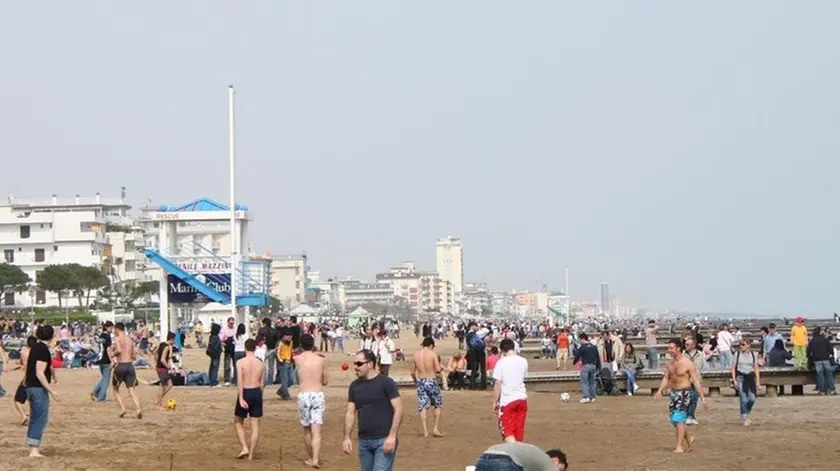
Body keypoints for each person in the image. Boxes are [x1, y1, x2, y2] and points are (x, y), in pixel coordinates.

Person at [342, 350, 402, 471]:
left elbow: (399, 409)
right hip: (364, 441)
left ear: (370, 364)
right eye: (354, 363)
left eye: (359, 364)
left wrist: (392, 436)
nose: (355, 367)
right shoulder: (354, 386)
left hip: (383, 440)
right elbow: (350, 412)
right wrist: (347, 437)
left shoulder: (386, 383)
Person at [654, 339, 707, 453]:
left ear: (678, 348)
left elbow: (696, 381)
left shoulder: (687, 363)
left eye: (671, 348)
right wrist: (660, 390)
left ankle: (679, 446)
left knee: (678, 418)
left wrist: (702, 397)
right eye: (668, 348)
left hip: (684, 392)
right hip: (674, 393)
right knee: (675, 420)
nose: (669, 350)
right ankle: (688, 438)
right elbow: (666, 378)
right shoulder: (670, 363)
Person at [24, 324, 59, 458]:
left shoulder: (36, 347)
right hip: (38, 388)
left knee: (35, 417)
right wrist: (51, 391)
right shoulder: (43, 349)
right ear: (51, 336)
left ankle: (33, 445)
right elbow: (40, 373)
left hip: (31, 386)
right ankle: (34, 450)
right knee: (40, 418)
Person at [295, 334, 327, 468]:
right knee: (316, 431)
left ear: (301, 345)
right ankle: (315, 459)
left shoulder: (297, 359)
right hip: (317, 394)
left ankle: (310, 457)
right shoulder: (320, 360)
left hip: (304, 394)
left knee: (307, 430)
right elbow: (325, 380)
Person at [234, 338, 266, 460]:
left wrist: (241, 398)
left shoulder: (240, 362)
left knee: (238, 421)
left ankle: (244, 447)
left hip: (246, 390)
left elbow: (240, 381)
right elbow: (262, 383)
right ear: (255, 348)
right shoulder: (261, 363)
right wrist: (259, 396)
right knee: (255, 425)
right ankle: (251, 454)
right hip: (257, 391)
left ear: (245, 348)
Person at [493, 338, 528, 443]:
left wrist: (495, 401)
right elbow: (523, 378)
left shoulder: (501, 362)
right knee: (518, 431)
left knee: (508, 432)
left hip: (508, 400)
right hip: (522, 398)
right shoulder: (523, 361)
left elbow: (498, 383)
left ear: (502, 350)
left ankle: (514, 454)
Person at [410, 336, 444, 437]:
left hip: (421, 380)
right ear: (431, 345)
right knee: (437, 404)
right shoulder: (433, 354)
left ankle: (425, 431)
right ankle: (435, 428)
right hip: (431, 380)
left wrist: (416, 381)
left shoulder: (416, 355)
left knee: (422, 406)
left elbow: (412, 372)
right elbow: (438, 369)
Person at [111, 322, 142, 419]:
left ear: (117, 329)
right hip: (130, 365)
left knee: (115, 389)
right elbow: (134, 356)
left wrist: (113, 354)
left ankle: (123, 408)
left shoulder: (117, 338)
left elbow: (119, 350)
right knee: (131, 390)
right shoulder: (130, 340)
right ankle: (138, 409)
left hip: (121, 365)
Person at [732, 339, 759, 425]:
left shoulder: (754, 355)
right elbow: (733, 367)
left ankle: (746, 413)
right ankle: (744, 416)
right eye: (740, 345)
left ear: (748, 345)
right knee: (743, 398)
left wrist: (758, 381)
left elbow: (756, 368)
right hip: (741, 377)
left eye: (743, 344)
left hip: (750, 377)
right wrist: (734, 380)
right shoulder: (737, 354)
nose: (741, 346)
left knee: (752, 398)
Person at [12, 336, 38, 426]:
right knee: (33, 399)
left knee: (17, 400)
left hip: (28, 377)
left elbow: (23, 364)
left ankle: (23, 416)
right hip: (39, 377)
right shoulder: (39, 352)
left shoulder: (24, 351)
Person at [572, 333, 600, 403]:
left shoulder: (583, 347)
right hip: (593, 365)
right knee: (592, 382)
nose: (580, 341)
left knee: (584, 382)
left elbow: (578, 355)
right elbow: (598, 357)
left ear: (583, 339)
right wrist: (598, 367)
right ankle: (592, 397)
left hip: (586, 366)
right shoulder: (594, 347)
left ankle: (586, 396)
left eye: (580, 340)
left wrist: (574, 362)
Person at [91, 321, 114, 403]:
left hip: (100, 360)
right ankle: (99, 396)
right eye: (111, 328)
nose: (112, 330)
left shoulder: (101, 336)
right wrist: (112, 360)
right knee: (106, 380)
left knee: (104, 378)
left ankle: (100, 394)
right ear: (106, 327)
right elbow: (108, 349)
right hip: (106, 360)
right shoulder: (107, 337)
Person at [155, 332, 176, 410]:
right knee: (163, 386)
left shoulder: (161, 344)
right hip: (162, 368)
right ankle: (158, 405)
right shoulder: (167, 347)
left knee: (170, 385)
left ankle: (158, 400)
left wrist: (156, 363)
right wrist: (169, 368)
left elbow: (155, 353)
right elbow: (163, 359)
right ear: (171, 339)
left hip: (160, 368)